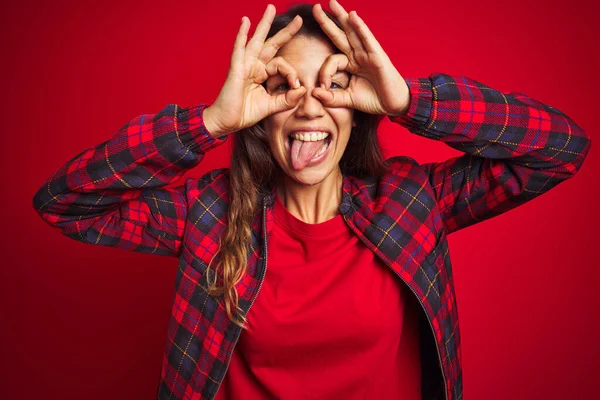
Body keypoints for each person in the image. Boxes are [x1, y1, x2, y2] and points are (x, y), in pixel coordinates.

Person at [31, 1, 590, 399]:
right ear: (259, 109)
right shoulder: (210, 214)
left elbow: (560, 148)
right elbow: (66, 200)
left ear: (359, 104)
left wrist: (409, 100)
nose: (310, 107)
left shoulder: (409, 201)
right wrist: (208, 122)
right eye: (285, 87)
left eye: (334, 84)